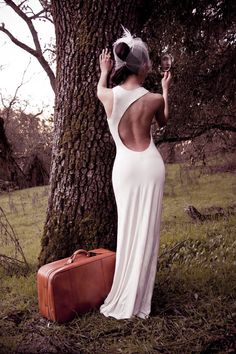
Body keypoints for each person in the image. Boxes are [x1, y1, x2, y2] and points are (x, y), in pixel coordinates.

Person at [97, 26, 171, 320]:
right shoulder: (154, 99)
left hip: (125, 169)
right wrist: (165, 90)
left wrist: (104, 71)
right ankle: (142, 297)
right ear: (143, 66)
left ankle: (126, 292)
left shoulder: (108, 96)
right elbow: (164, 121)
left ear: (119, 65)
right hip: (151, 166)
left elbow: (99, 89)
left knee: (128, 229)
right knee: (148, 231)